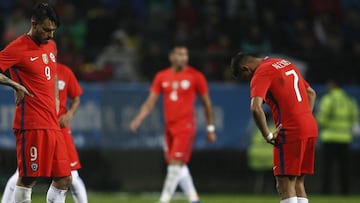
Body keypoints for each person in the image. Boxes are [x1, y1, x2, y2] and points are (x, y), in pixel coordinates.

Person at [0, 3, 72, 203]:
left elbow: (53, 71)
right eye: (46, 30)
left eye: (53, 31)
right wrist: (14, 85)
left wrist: (56, 97)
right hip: (31, 124)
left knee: (64, 178)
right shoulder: (17, 47)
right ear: (34, 24)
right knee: (28, 178)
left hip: (52, 123)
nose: (50, 35)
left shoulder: (51, 46)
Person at [129, 45, 217, 203]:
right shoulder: (161, 76)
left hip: (186, 127)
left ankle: (164, 199)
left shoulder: (195, 76)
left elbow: (207, 104)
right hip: (169, 128)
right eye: (180, 54)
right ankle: (194, 198)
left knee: (175, 163)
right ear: (171, 57)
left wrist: (210, 128)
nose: (184, 58)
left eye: (185, 55)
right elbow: (150, 102)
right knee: (176, 165)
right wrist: (138, 119)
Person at [230, 52, 318, 203]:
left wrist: (267, 135)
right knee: (298, 183)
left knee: (284, 184)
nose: (249, 81)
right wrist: (303, 117)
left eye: (246, 78)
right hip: (309, 126)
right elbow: (311, 93)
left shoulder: (262, 72)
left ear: (246, 68)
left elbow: (255, 107)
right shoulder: (284, 62)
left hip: (291, 129)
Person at [1, 63, 88, 202]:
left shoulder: (65, 71)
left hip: (60, 130)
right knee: (24, 174)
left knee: (70, 175)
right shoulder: (33, 69)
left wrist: (69, 114)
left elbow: (76, 97)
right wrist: (16, 86)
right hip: (39, 127)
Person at [316, 80, 358, 195]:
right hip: (345, 138)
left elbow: (321, 119)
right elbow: (354, 119)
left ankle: (326, 191)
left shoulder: (328, 99)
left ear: (332, 85)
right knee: (344, 168)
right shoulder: (349, 100)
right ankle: (345, 191)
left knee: (327, 168)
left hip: (329, 138)